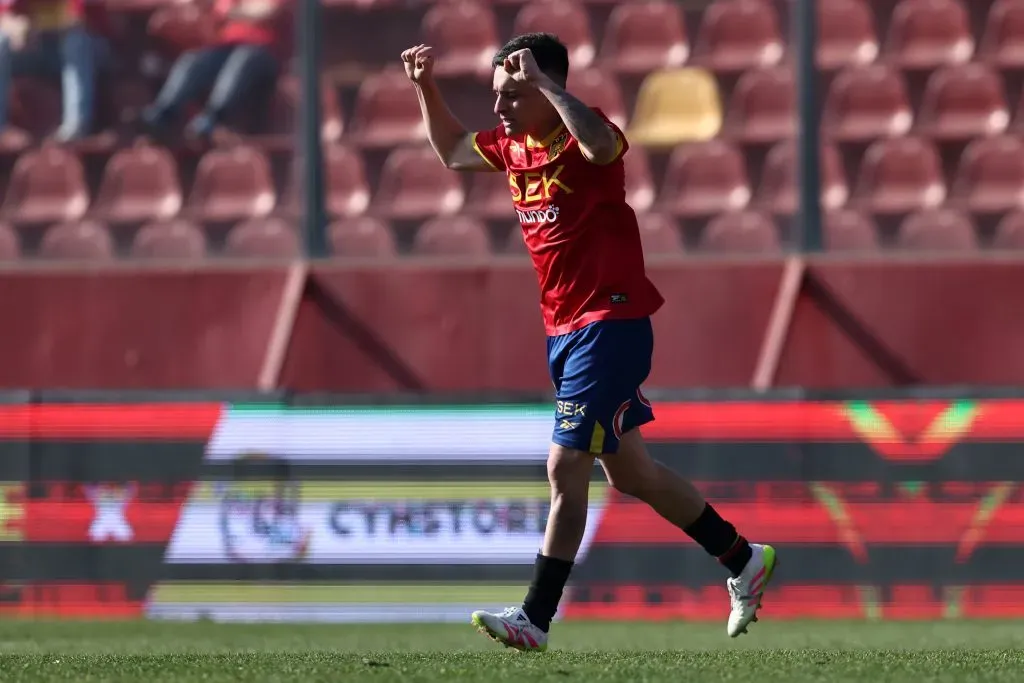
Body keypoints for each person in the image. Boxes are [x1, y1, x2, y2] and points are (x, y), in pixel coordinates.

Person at [400, 33, 777, 651]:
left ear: (547, 88)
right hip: (565, 330)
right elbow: (452, 151)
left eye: (513, 95)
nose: (500, 108)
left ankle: (535, 617)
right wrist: (426, 89)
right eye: (497, 96)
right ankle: (743, 558)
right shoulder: (513, 146)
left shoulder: (586, 131)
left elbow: (602, 148)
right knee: (633, 474)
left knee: (564, 465)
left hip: (610, 321)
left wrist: (547, 86)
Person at [141, 0, 288, 140]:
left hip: (263, 52)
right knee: (193, 60)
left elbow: (268, 10)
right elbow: (215, 9)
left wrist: (233, 12)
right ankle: (162, 114)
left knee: (241, 60)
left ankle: (213, 119)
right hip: (225, 47)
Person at [0, 0, 110, 141]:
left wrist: (63, 28)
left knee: (76, 42)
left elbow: (87, 21)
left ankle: (74, 128)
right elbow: (5, 17)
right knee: (2, 42)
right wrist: (15, 28)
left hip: (83, 52)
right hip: (36, 50)